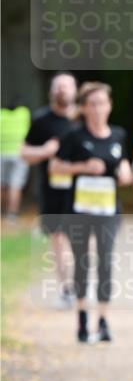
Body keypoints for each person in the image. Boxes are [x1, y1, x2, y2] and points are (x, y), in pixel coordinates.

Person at [49, 82, 133, 343]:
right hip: (79, 210)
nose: (98, 109)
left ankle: (104, 320)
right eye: (92, 104)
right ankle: (82, 318)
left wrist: (125, 175)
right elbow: (55, 166)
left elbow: (125, 167)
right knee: (83, 263)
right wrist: (83, 167)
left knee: (106, 262)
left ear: (110, 106)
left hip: (108, 210)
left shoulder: (118, 135)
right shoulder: (74, 136)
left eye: (102, 103)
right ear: (84, 108)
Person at [21, 73, 78, 304]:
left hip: (82, 189)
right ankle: (66, 288)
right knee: (58, 239)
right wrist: (45, 151)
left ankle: (81, 281)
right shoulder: (41, 119)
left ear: (75, 91)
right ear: (51, 92)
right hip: (52, 189)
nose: (61, 91)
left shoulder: (84, 117)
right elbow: (24, 153)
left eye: (66, 87)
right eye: (57, 87)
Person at [1, 99, 31, 220]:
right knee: (16, 185)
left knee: (1, 184)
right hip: (19, 153)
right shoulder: (23, 114)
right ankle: (12, 213)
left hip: (2, 152)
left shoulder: (1, 115)